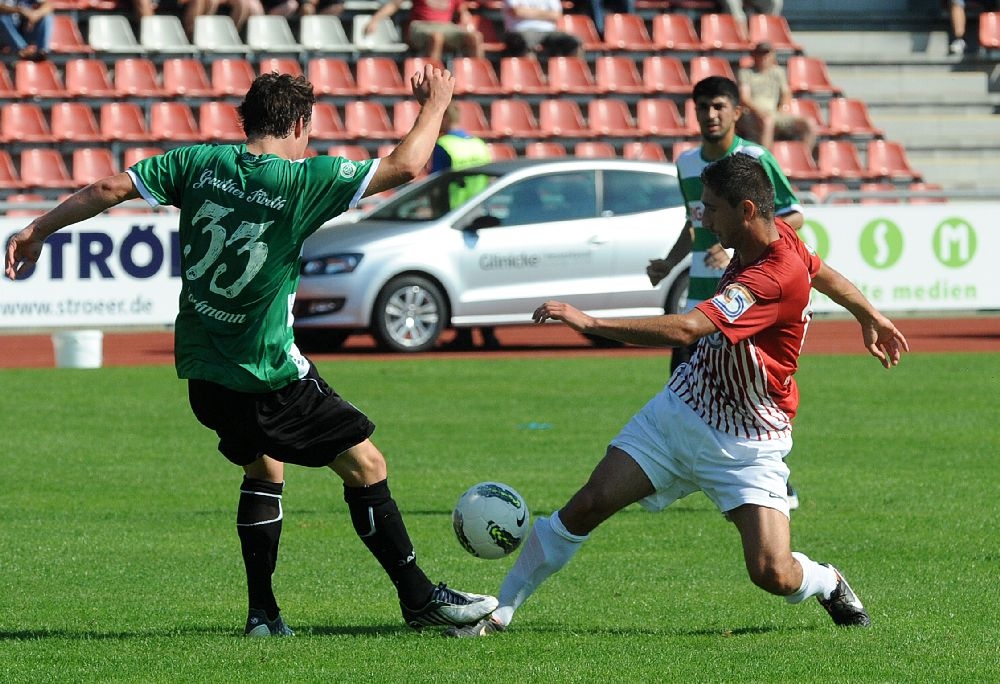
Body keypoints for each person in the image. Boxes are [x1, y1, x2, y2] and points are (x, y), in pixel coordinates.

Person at [5, 66, 499, 637]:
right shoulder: (300, 181)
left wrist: (38, 229)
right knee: (367, 464)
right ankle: (420, 601)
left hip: (204, 377)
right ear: (297, 122)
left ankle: (263, 614)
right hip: (269, 376)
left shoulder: (196, 163)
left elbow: (109, 188)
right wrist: (436, 104)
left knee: (264, 466)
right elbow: (408, 165)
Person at [446, 152, 909, 638]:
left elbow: (689, 328)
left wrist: (592, 323)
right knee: (587, 504)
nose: (703, 217)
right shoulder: (776, 239)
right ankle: (500, 612)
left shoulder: (775, 274)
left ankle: (827, 581)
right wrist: (869, 314)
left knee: (772, 573)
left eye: (711, 208)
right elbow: (824, 272)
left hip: (748, 440)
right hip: (682, 409)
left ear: (747, 210)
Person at [647, 75, 805, 507]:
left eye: (719, 106)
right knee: (686, 391)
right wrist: (669, 261)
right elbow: (694, 220)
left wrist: (735, 240)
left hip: (745, 298)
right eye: (703, 107)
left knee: (747, 395)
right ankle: (670, 474)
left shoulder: (754, 158)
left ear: (737, 112)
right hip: (699, 298)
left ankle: (775, 482)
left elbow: (792, 215)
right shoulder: (685, 163)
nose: (710, 115)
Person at [430, 102, 500, 350]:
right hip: (482, 218)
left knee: (460, 278)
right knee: (483, 279)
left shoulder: (444, 146)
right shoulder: (480, 145)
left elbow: (435, 186)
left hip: (454, 218)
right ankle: (489, 334)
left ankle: (465, 335)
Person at [738, 41, 818, 153]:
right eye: (760, 53)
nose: (763, 57)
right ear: (754, 55)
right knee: (768, 121)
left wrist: (783, 108)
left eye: (766, 54)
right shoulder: (746, 73)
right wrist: (759, 112)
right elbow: (744, 98)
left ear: (772, 55)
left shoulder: (778, 72)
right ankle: (765, 161)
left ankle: (803, 158)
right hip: (752, 114)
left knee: (809, 124)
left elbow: (786, 93)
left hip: (774, 113)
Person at [365, 0, 484, 63]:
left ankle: (479, 81)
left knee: (475, 37)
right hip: (420, 25)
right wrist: (375, 20)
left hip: (446, 26)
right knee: (437, 37)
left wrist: (466, 21)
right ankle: (432, 80)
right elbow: (394, 4)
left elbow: (463, 10)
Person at [501, 0, 582, 60]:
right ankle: (530, 78)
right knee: (525, 41)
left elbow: (556, 15)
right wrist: (545, 13)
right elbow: (517, 12)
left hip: (549, 31)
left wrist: (527, 12)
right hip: (521, 30)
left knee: (573, 42)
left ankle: (569, 77)